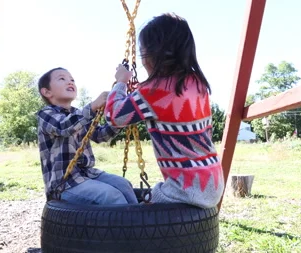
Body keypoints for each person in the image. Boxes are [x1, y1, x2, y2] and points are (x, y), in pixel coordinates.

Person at [105, 13, 225, 209]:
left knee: (137, 216)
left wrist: (120, 83)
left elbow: (113, 116)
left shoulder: (152, 91)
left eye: (142, 53)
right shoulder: (197, 83)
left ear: (153, 54)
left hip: (184, 191)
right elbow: (207, 131)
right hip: (214, 183)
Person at [37, 67, 138, 205]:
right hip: (64, 184)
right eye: (62, 79)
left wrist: (121, 118)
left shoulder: (78, 114)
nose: (70, 82)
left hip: (88, 174)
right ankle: (126, 225)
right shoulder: (46, 114)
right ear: (47, 92)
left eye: (72, 80)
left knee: (124, 185)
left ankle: (139, 222)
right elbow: (64, 127)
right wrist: (93, 106)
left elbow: (101, 135)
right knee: (110, 195)